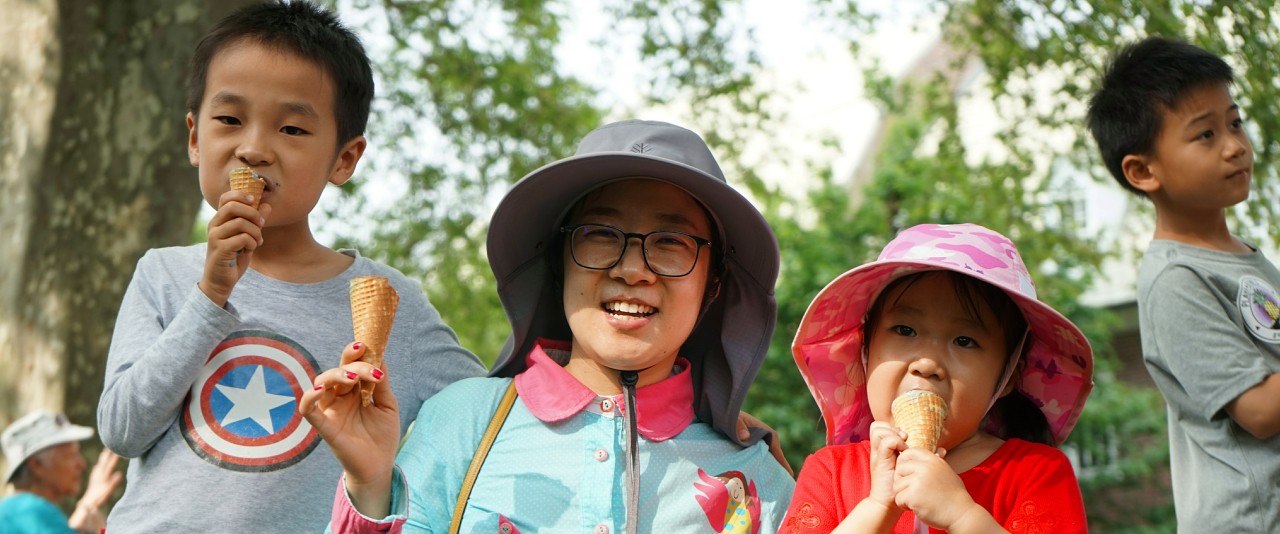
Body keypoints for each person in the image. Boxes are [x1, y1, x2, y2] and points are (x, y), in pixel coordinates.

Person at [95, 2, 485, 531]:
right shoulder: (164, 273)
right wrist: (209, 297)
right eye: (229, 120)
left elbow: (483, 423)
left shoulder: (387, 301)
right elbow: (122, 429)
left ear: (344, 159)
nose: (253, 149)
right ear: (194, 138)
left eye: (293, 130)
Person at [300, 119, 796, 532]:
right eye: (601, 234)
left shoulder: (758, 481)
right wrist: (369, 486)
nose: (632, 269)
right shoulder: (463, 423)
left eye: (671, 242)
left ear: (713, 285)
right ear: (560, 261)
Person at [783, 223, 1094, 533]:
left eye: (964, 341)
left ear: (1008, 375)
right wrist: (878, 506)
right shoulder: (830, 472)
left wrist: (962, 516)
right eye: (905, 330)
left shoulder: (1036, 472)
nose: (928, 363)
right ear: (865, 350)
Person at [1086, 36, 1280, 531]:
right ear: (1143, 170)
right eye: (1205, 135)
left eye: (1234, 123)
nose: (1236, 145)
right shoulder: (1176, 281)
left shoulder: (1245, 259)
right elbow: (1259, 409)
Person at [0, 411, 123, 534]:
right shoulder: (32, 511)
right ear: (36, 465)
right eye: (70, 456)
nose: (81, 464)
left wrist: (88, 503)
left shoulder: (15, 513)